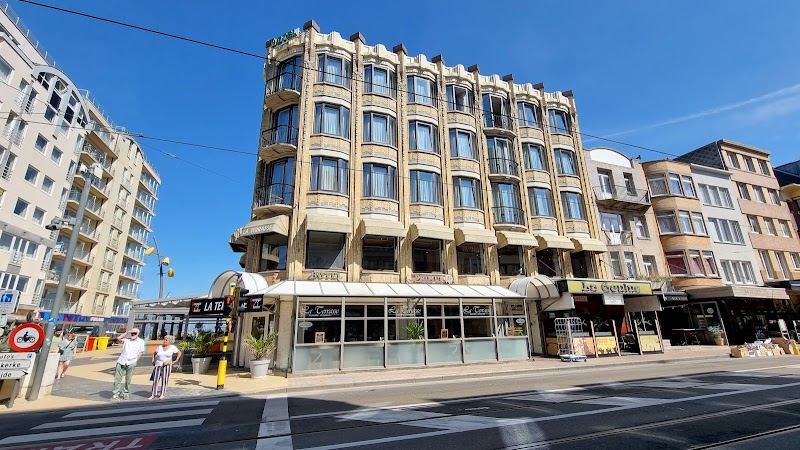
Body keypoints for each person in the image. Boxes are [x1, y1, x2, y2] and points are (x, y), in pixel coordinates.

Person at [111, 328, 145, 400]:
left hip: (131, 361)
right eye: (132, 333)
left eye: (135, 333)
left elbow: (141, 352)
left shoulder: (141, 341)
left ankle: (126, 393)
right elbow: (118, 338)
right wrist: (127, 332)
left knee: (128, 379)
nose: (133, 334)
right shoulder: (127, 339)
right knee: (117, 378)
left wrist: (135, 361)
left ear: (138, 334)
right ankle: (116, 393)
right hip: (122, 360)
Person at [149, 335, 181, 400]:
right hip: (158, 365)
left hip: (166, 365)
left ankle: (162, 394)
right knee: (155, 380)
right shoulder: (160, 347)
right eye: (164, 339)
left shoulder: (173, 347)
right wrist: (153, 360)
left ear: (170, 341)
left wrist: (175, 360)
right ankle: (153, 394)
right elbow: (154, 353)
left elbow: (179, 353)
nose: (164, 341)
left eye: (166, 340)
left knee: (164, 380)